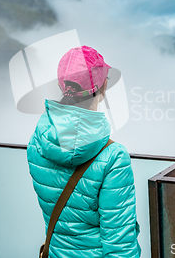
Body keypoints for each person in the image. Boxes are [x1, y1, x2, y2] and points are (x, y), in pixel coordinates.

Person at [27, 46, 141, 257]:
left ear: (62, 86)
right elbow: (120, 245)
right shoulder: (113, 157)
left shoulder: (38, 141)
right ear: (104, 87)